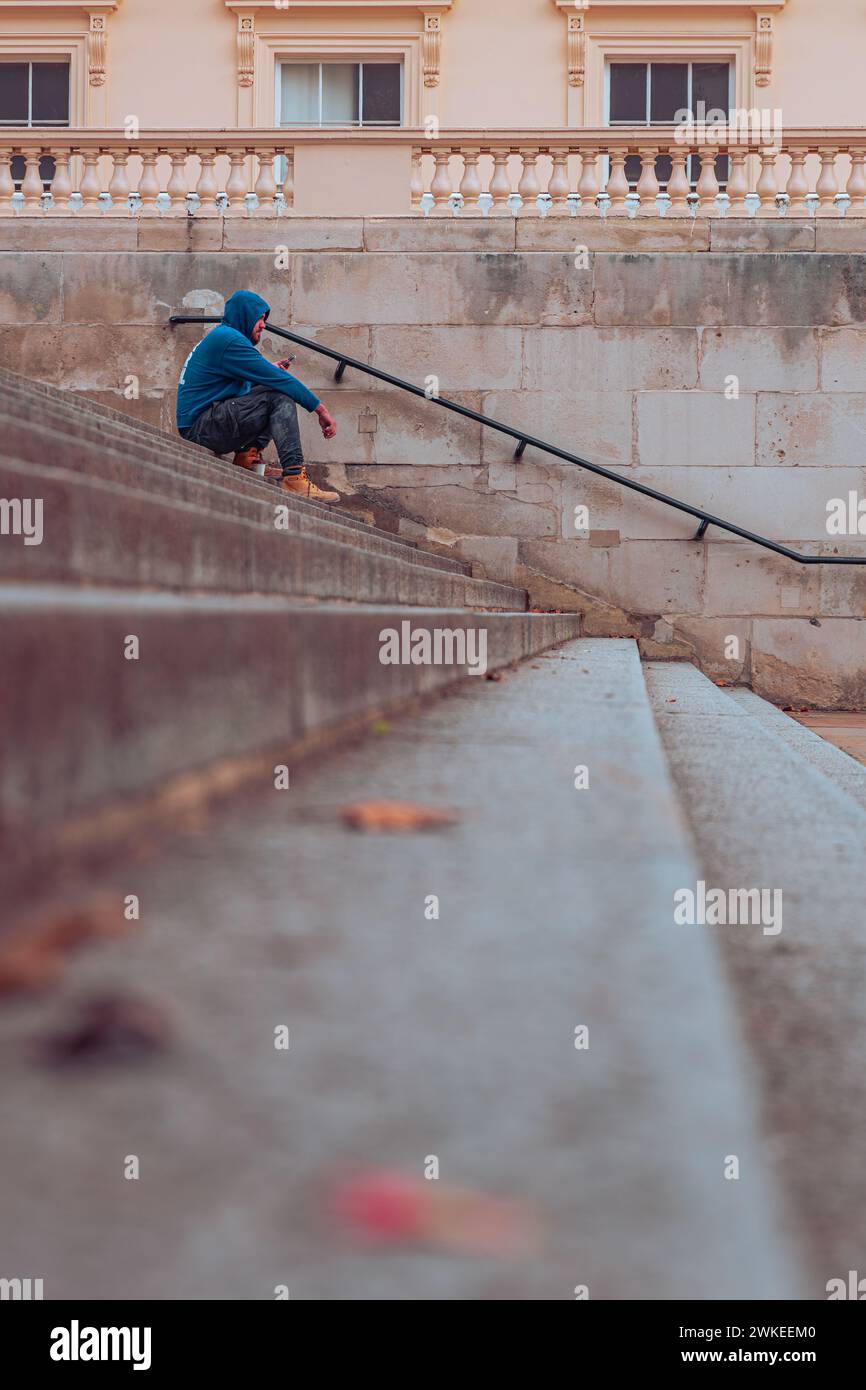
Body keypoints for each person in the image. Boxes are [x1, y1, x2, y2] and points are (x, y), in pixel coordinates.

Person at [176, 289, 339, 502]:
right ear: (245, 316)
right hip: (200, 428)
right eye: (259, 319)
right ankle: (294, 476)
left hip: (203, 423)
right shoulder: (229, 339)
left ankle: (246, 457)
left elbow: (234, 387)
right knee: (278, 393)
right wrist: (321, 410)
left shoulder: (225, 337)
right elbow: (281, 382)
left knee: (268, 388)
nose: (264, 325)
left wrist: (266, 372)